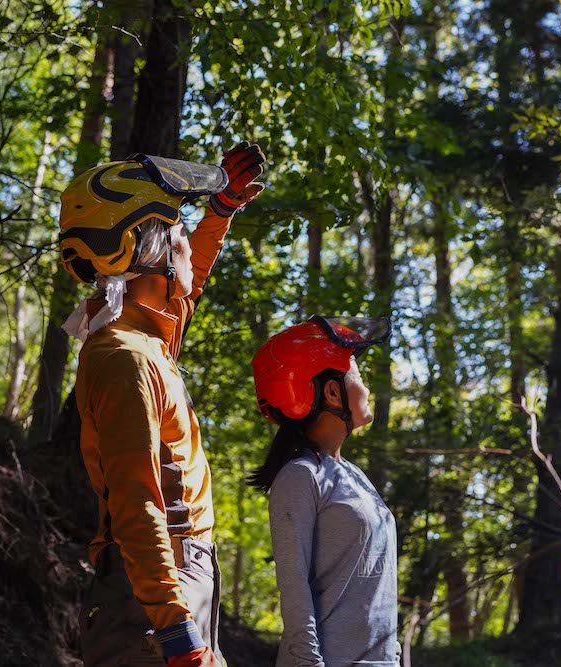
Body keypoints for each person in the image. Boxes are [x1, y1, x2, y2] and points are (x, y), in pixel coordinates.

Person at [60, 143, 266, 666]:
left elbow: (180, 292)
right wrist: (175, 630)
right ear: (146, 250)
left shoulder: (146, 339)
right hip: (153, 597)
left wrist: (220, 213)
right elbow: (136, 501)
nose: (185, 240)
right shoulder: (125, 357)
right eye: (178, 229)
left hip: (169, 583)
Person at [249, 316, 399, 667]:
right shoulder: (300, 476)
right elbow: (293, 585)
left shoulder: (353, 476)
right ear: (332, 392)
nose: (366, 387)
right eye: (358, 378)